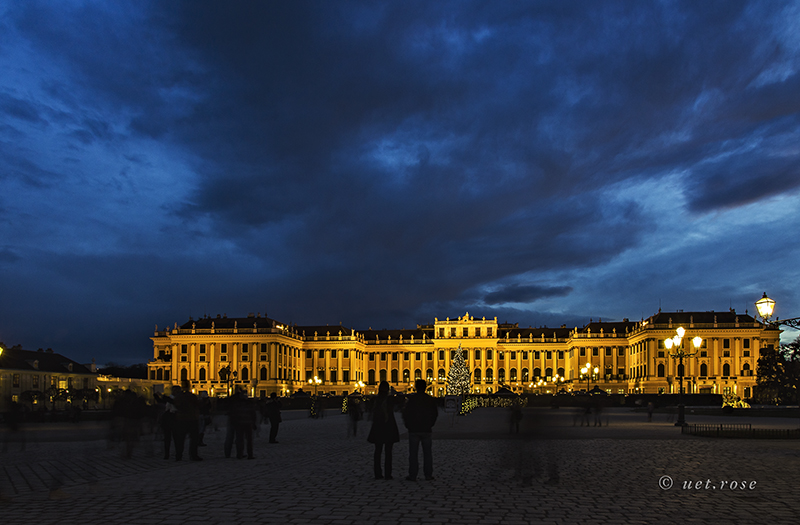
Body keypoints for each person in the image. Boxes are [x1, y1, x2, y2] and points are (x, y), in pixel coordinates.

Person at [402, 379, 438, 481]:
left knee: (413, 454)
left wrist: (408, 425)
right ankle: (428, 475)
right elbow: (435, 413)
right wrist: (430, 424)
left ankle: (413, 475)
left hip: (414, 430)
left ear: (416, 387)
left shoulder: (411, 399)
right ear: (426, 387)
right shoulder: (430, 399)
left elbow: (405, 413)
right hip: (426, 429)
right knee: (427, 454)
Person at [367, 381, 399, 479]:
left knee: (378, 451)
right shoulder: (390, 400)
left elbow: (370, 410)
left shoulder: (375, 400)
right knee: (388, 452)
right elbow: (398, 404)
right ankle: (388, 474)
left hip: (378, 427)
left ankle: (377, 473)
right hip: (389, 427)